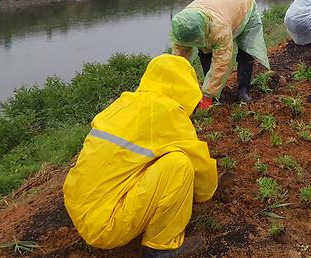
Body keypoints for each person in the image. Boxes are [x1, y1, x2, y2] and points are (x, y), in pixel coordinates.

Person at [63, 54, 220, 257]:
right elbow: (200, 169)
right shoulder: (167, 112)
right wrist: (204, 194)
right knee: (179, 164)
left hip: (79, 208)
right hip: (107, 226)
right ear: (184, 85)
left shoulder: (124, 103)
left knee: (150, 159)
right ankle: (161, 250)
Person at [170, 0, 270, 108]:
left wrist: (207, 96)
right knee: (204, 50)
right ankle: (215, 93)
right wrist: (177, 89)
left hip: (243, 6)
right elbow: (179, 60)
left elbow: (221, 63)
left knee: (246, 51)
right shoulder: (183, 26)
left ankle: (243, 91)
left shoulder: (220, 29)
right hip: (217, 4)